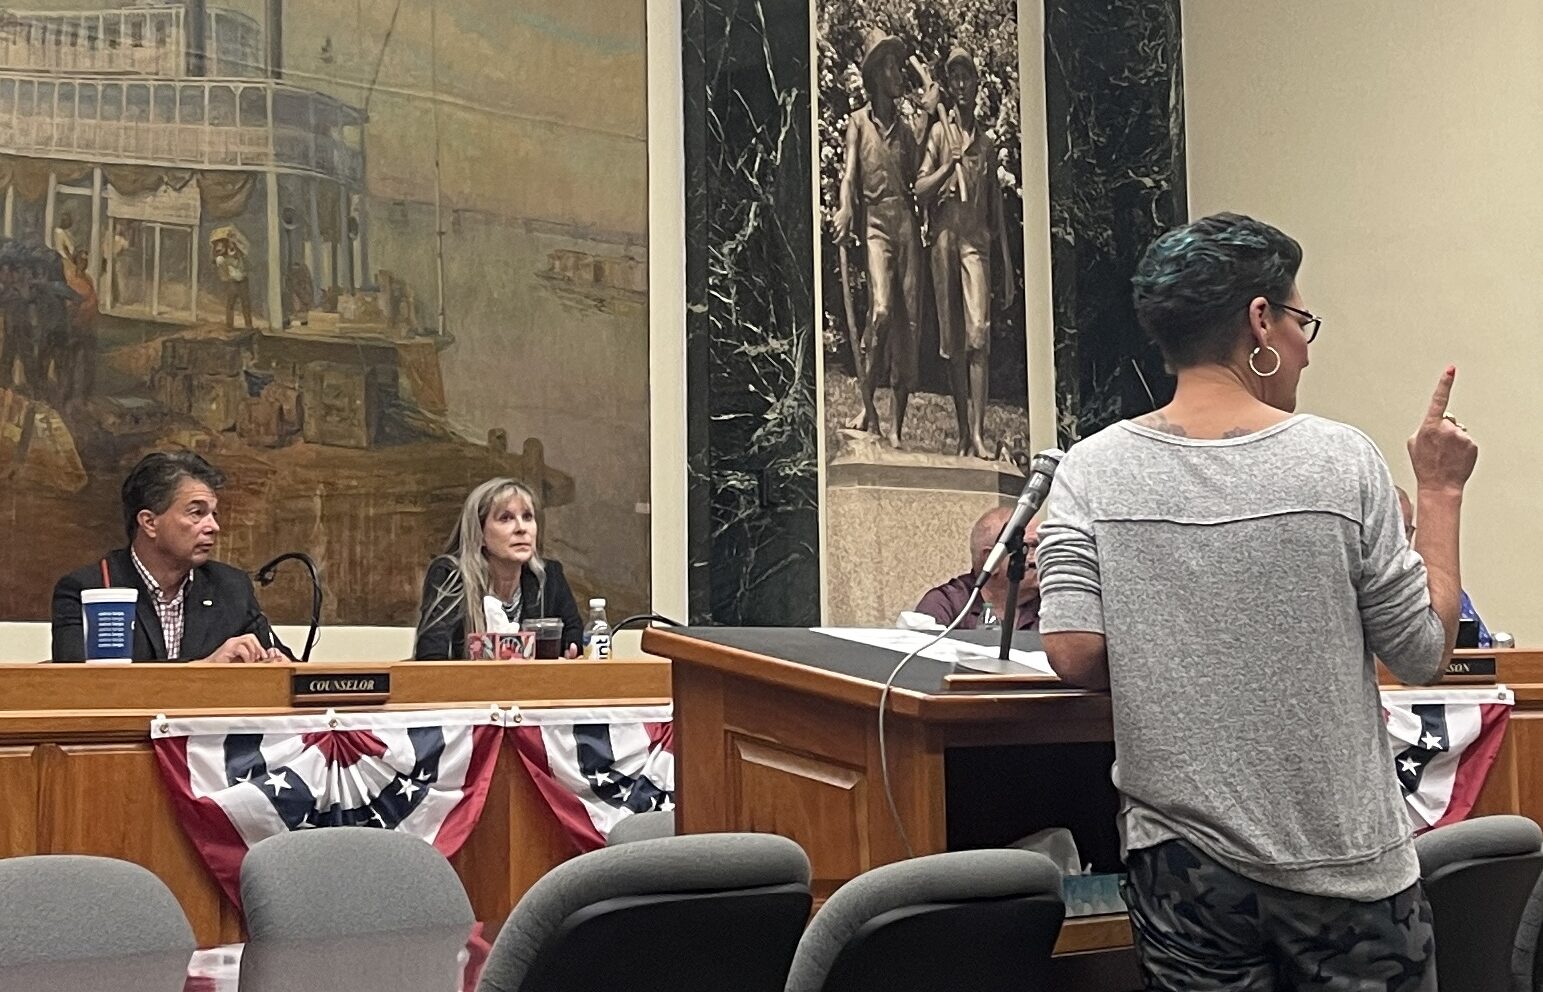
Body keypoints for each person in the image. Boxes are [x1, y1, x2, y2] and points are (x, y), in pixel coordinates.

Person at [1036, 212, 1475, 991]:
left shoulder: (1090, 470)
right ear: (1259, 320)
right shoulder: (1339, 460)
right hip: (1343, 868)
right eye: (1300, 319)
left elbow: (1072, 652)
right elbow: (1419, 652)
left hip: (1179, 868)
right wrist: (1437, 490)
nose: (1304, 344)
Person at [52, 451, 290, 663]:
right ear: (150, 523)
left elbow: (286, 669)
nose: (214, 526)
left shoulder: (231, 587)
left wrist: (278, 665)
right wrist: (205, 669)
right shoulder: (89, 589)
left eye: (213, 514)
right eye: (197, 513)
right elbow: (80, 687)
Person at [831, 30, 939, 449]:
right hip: (875, 224)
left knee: (908, 324)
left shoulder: (907, 128)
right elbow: (849, 176)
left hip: (907, 226)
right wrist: (845, 209)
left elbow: (918, 179)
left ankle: (895, 423)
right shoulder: (859, 122)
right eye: (893, 67)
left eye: (900, 66)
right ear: (877, 75)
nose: (899, 76)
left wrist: (928, 114)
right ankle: (866, 405)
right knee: (880, 310)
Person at [916, 47, 1016, 458]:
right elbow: (918, 190)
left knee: (979, 334)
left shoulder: (987, 146)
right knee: (954, 340)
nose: (959, 85)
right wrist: (946, 168)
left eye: (966, 77)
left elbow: (996, 214)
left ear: (976, 84)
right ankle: (963, 432)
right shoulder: (940, 134)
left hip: (976, 243)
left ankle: (977, 431)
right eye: (953, 78)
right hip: (944, 241)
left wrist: (1008, 267)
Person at [414, 478, 583, 660]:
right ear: (480, 535)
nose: (521, 528)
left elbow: (573, 635)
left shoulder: (549, 576)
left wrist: (572, 648)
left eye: (527, 517)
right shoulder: (451, 576)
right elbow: (431, 658)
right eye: (506, 518)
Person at [914, 507, 1040, 629]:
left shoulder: (1051, 603)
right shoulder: (947, 603)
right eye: (1033, 546)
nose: (1044, 554)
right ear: (992, 560)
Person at [1397, 484, 1490, 646]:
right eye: (1391, 529)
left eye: (1404, 530)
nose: (1398, 539)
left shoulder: (1440, 591)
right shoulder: (1353, 591)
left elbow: (1484, 652)